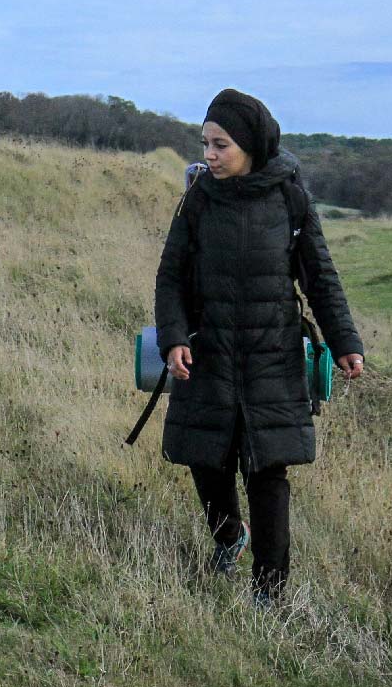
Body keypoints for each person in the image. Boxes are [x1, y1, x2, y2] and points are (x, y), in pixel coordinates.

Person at [153, 89, 366, 603]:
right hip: (209, 353)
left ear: (248, 144)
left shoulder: (290, 198)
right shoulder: (199, 199)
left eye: (220, 145)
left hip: (273, 354)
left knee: (268, 470)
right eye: (205, 143)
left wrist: (344, 341)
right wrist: (174, 338)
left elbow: (320, 276)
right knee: (206, 460)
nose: (209, 155)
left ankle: (269, 589)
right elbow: (170, 278)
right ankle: (230, 537)